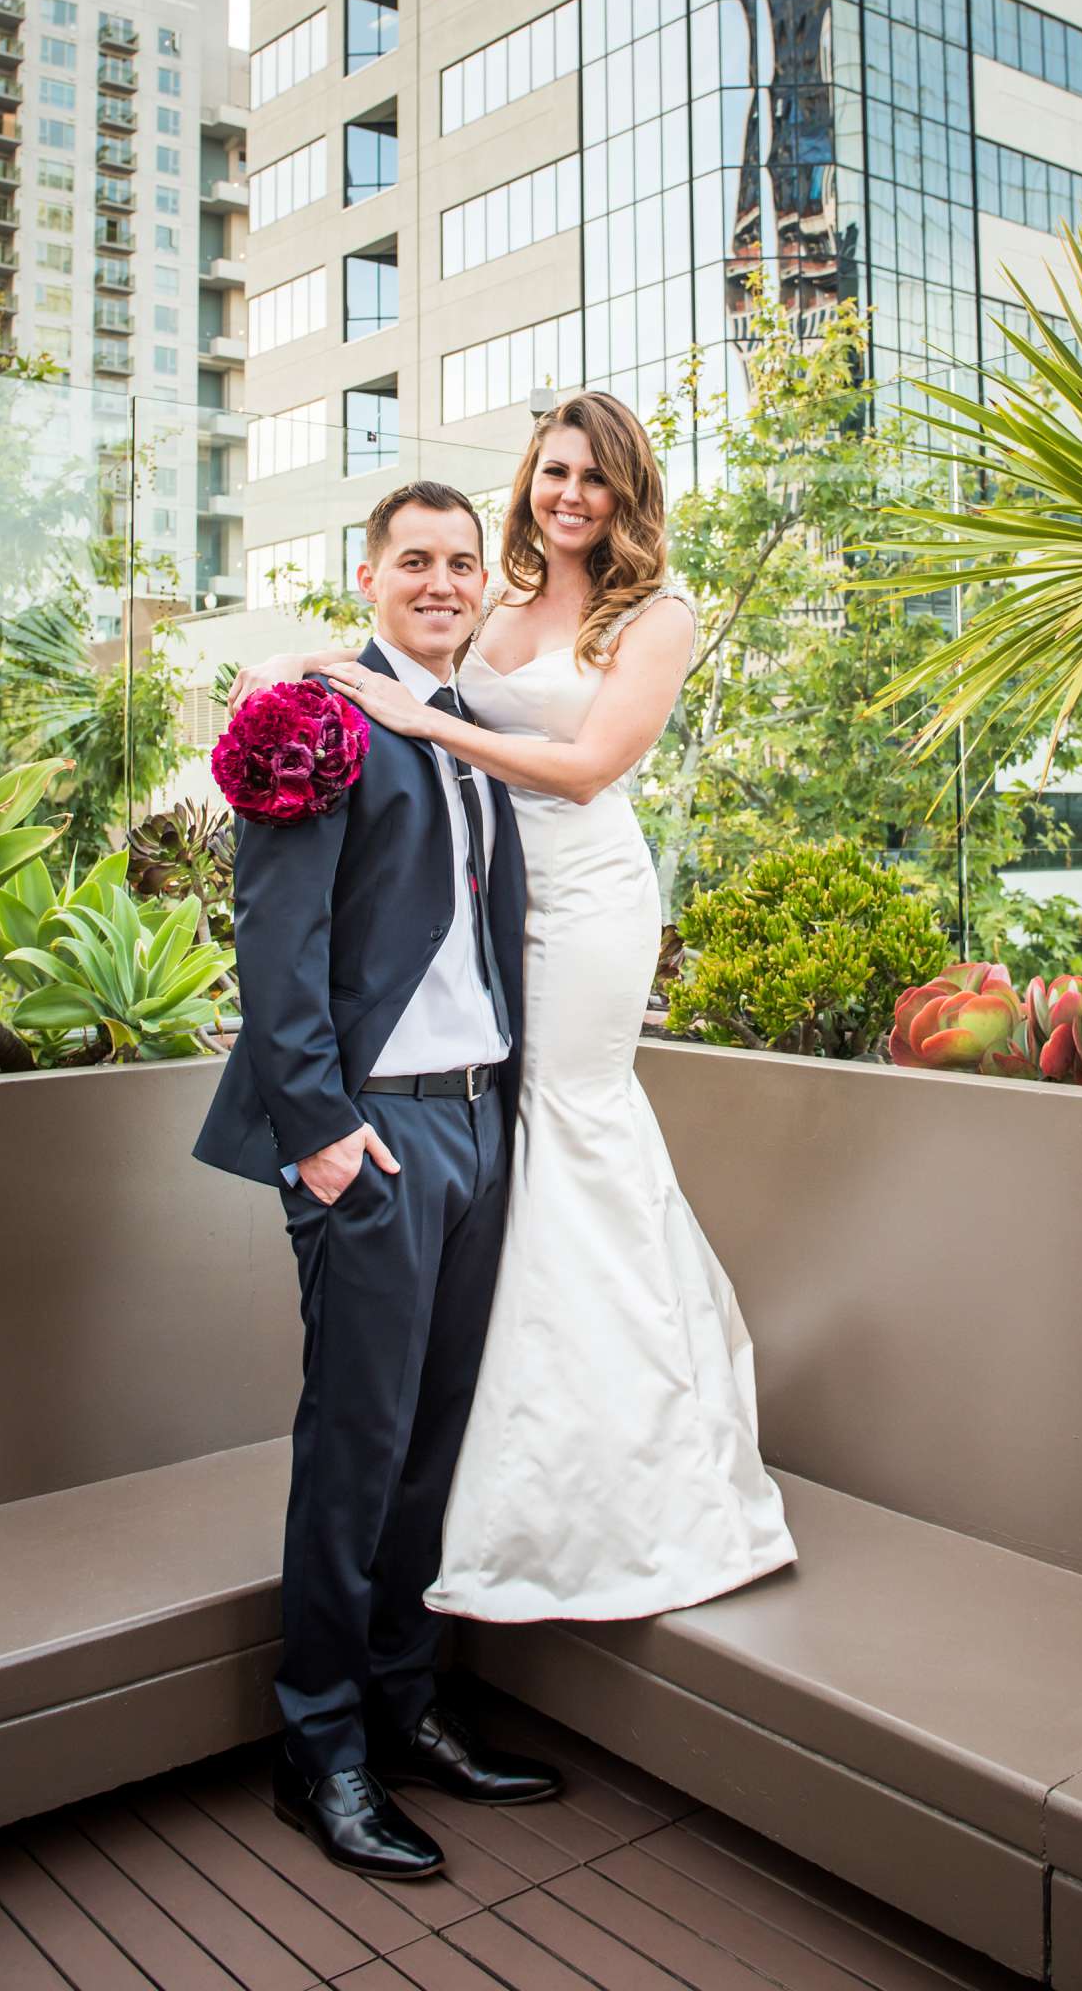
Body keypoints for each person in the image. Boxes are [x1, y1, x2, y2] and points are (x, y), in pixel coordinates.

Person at [231, 391, 797, 1625]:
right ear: (528, 483)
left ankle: (620, 1470)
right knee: (503, 1143)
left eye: (595, 478)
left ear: (628, 490)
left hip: (585, 897)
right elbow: (390, 645)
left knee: (571, 1128)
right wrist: (287, 668)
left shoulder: (656, 614)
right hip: (481, 888)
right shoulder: (490, 597)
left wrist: (428, 722)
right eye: (553, 473)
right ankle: (485, 1465)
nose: (571, 496)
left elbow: (592, 765)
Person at [193, 480, 561, 1883]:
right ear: (369, 573)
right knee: (356, 1449)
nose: (442, 580)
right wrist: (325, 1132)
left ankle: (412, 1707)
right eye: (416, 559)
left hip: (480, 1126)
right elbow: (273, 943)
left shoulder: (471, 730)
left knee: (436, 1441)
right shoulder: (315, 719)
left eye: (463, 562)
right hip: (377, 1139)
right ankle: (322, 1749)